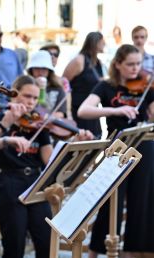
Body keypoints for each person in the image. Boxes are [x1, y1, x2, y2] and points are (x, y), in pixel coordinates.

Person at [78, 44, 154, 258]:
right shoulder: (105, 87)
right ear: (118, 64)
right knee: (111, 201)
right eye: (130, 64)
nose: (135, 69)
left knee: (142, 200)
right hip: (117, 148)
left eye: (138, 64)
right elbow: (84, 110)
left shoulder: (146, 86)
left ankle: (133, 251)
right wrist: (116, 109)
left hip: (144, 147)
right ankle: (95, 251)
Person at [0, 75, 53, 258]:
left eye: (35, 98)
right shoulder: (2, 118)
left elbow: (48, 160)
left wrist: (72, 142)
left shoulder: (38, 123)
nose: (31, 102)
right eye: (27, 96)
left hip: (36, 182)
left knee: (46, 241)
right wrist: (7, 138)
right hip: (10, 181)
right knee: (14, 244)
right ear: (14, 94)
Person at [63, 31, 105, 138]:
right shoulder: (79, 60)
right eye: (102, 42)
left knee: (95, 139)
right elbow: (64, 83)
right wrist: (67, 113)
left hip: (91, 108)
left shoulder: (97, 62)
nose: (104, 44)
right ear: (95, 43)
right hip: (77, 109)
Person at [26, 50, 67, 118]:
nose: (40, 72)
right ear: (31, 70)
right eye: (36, 68)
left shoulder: (58, 89)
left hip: (49, 125)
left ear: (49, 71)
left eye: (44, 69)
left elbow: (61, 113)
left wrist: (46, 118)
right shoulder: (25, 86)